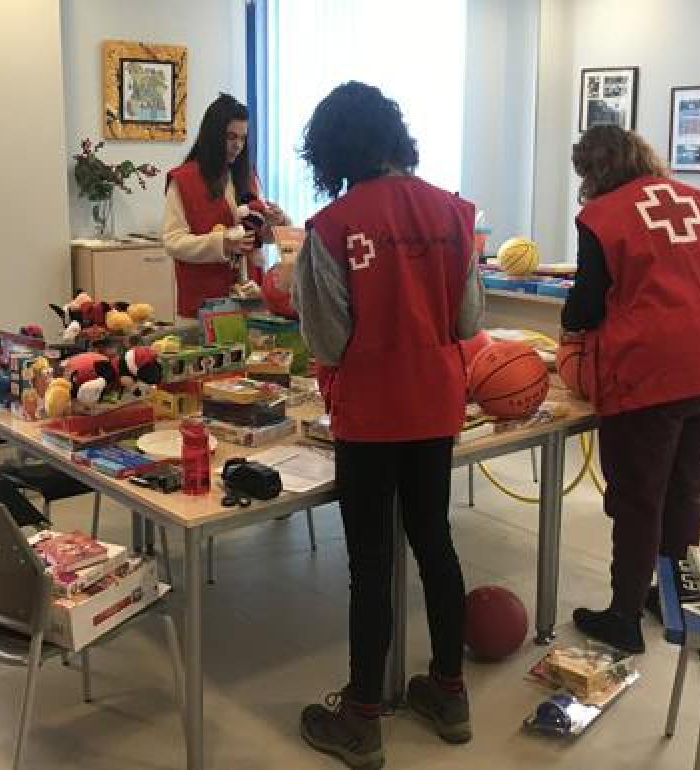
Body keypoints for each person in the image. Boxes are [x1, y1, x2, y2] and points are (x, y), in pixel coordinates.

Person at [291, 81, 483, 770]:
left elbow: (329, 339)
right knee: (436, 543)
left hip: (371, 413)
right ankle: (449, 693)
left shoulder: (334, 225)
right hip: (436, 405)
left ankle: (363, 717)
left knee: (370, 564)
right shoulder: (455, 214)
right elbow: (467, 323)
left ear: (336, 148)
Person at [562, 125, 700, 653]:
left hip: (654, 371)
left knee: (637, 499)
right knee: (685, 489)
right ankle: (674, 599)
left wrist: (568, 321)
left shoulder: (602, 217)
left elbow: (586, 307)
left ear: (593, 172)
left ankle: (623, 617)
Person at [162, 93, 289, 319]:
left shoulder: (248, 176)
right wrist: (222, 243)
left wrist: (275, 223)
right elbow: (173, 241)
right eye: (231, 137)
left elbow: (260, 236)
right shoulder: (184, 180)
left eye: (242, 138)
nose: (238, 145)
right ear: (213, 136)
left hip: (250, 297)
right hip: (205, 302)